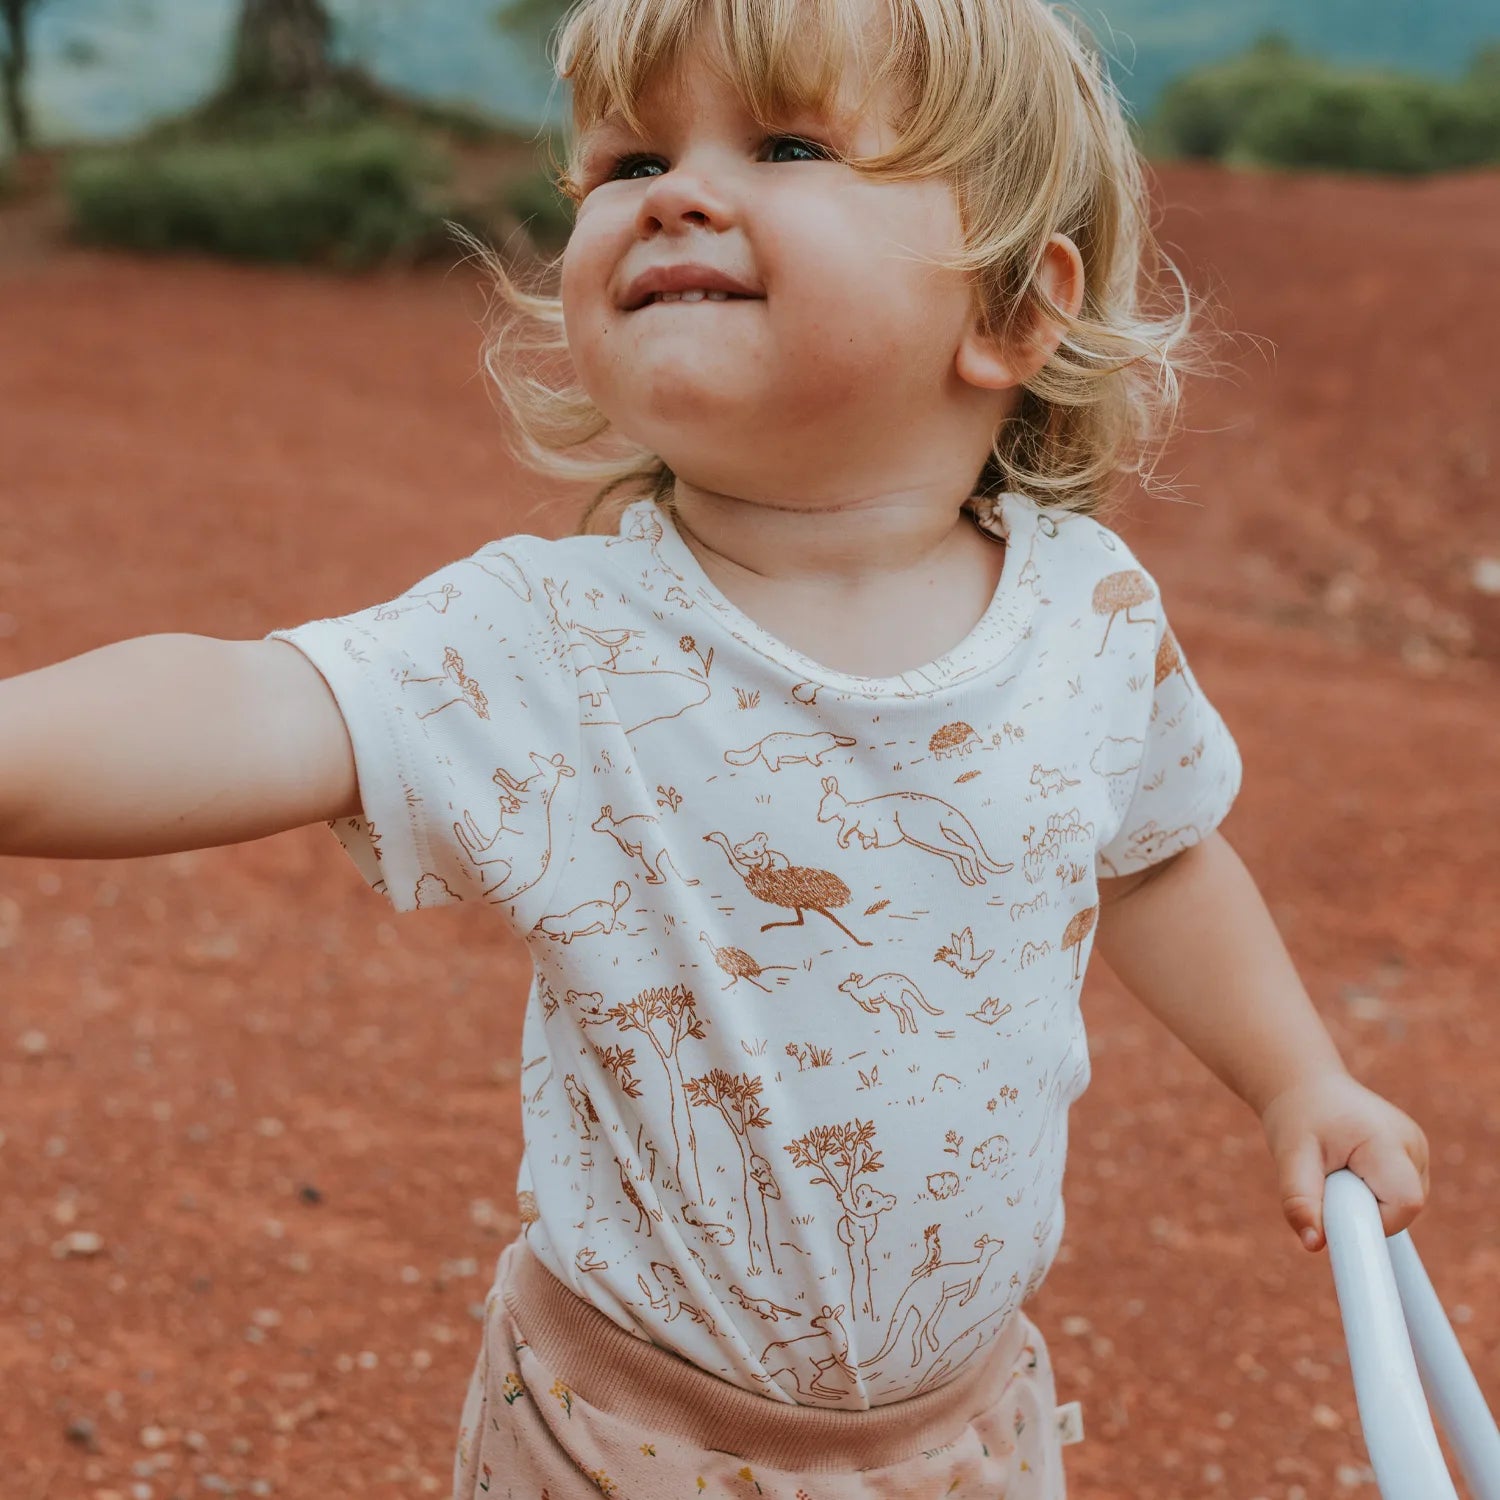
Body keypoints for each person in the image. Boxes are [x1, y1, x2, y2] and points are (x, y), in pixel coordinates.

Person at [0, 0, 1432, 1496]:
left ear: (1011, 306)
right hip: (619, 1437)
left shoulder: (1091, 616)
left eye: (789, 142)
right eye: (623, 161)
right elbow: (242, 704)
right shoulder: (548, 638)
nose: (672, 192)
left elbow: (1156, 861)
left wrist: (1296, 1079)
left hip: (970, 1432)